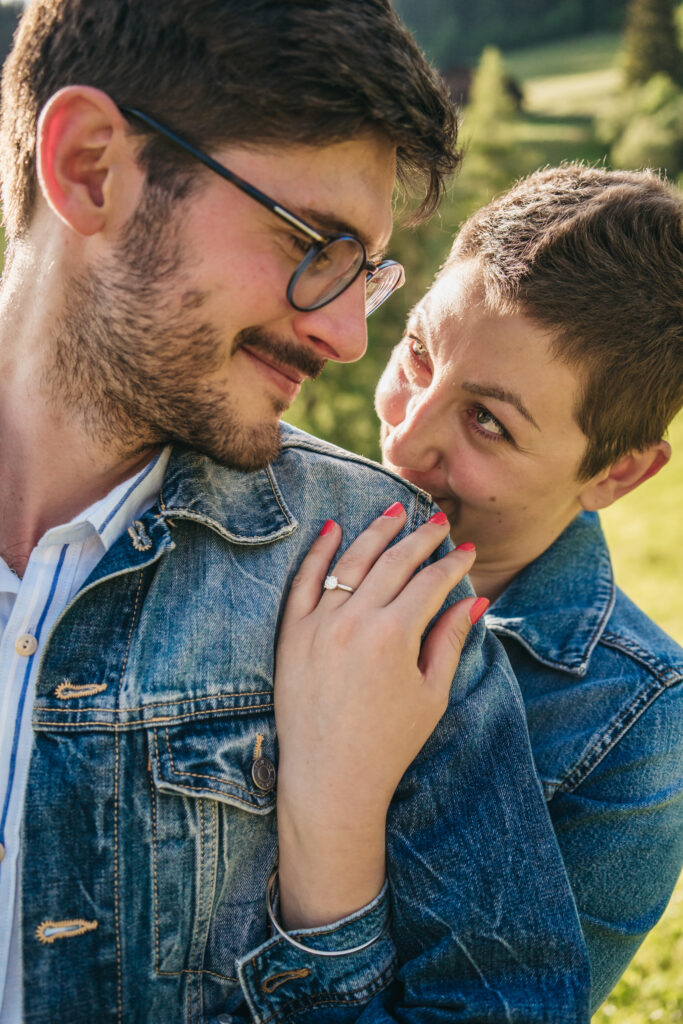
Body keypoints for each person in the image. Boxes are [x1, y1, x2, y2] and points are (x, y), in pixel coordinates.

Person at [0, 3, 591, 1023]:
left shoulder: (381, 576)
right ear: (92, 166)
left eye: (364, 271)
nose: (347, 336)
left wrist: (330, 876)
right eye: (316, 242)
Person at [365, 164, 682, 1009]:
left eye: (487, 421)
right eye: (418, 354)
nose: (404, 441)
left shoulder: (632, 726)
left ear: (616, 472)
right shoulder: (247, 519)